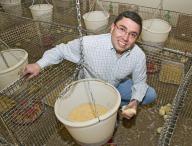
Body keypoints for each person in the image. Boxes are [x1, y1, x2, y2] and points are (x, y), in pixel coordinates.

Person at [23, 11, 157, 119]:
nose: (125, 38)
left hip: (116, 84)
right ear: (112, 27)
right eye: (122, 29)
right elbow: (60, 50)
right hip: (90, 87)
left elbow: (140, 83)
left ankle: (116, 105)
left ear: (137, 38)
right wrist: (38, 65)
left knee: (150, 95)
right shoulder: (89, 44)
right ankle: (109, 108)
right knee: (95, 118)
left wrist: (134, 103)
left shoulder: (138, 55)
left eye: (132, 34)